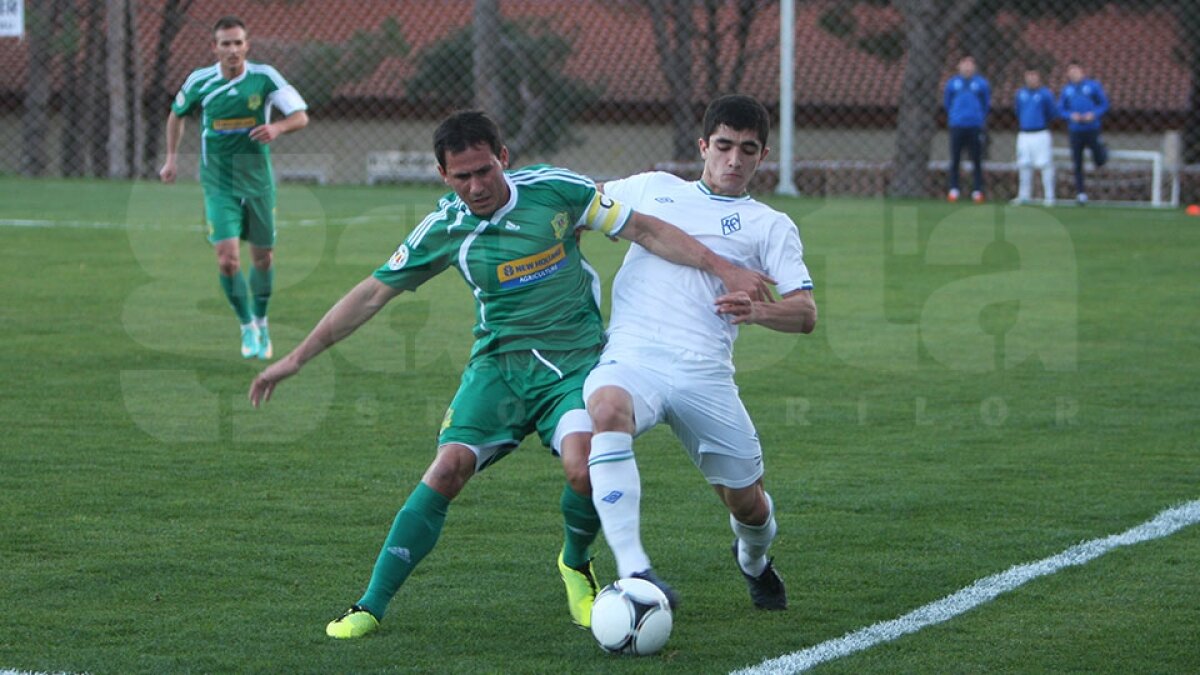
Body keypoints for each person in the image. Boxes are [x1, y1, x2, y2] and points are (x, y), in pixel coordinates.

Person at [248, 110, 771, 638]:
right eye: (462, 177)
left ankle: (575, 563)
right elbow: (370, 294)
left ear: (503, 158)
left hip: (573, 364)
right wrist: (296, 359)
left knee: (584, 465)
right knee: (448, 467)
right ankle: (370, 604)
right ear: (442, 176)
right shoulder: (444, 229)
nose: (476, 186)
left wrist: (723, 268)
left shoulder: (557, 190)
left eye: (484, 171)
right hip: (498, 369)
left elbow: (646, 229)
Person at [584, 95, 817, 611]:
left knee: (748, 505)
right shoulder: (651, 188)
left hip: (704, 375)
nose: (734, 160)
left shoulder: (769, 224)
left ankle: (753, 561)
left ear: (763, 156)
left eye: (748, 150)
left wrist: (757, 312)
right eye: (725, 146)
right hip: (634, 357)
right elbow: (575, 210)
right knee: (605, 410)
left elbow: (805, 314)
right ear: (703, 146)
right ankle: (634, 570)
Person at [159, 16, 309, 360]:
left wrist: (278, 129)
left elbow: (301, 115)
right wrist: (171, 159)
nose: (232, 49)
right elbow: (176, 114)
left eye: (238, 43)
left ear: (247, 46)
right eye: (225, 43)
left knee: (263, 258)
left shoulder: (264, 78)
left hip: (257, 183)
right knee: (227, 260)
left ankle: (261, 319)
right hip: (218, 183)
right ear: (214, 48)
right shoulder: (200, 80)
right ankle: (246, 327)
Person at [1059, 61, 1110, 205]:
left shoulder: (1092, 86)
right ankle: (1081, 193)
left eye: (1075, 70)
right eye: (1070, 71)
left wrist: (1093, 114)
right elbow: (1061, 109)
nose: (1073, 74)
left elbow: (1104, 104)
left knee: (1098, 158)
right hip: (1075, 130)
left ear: (1082, 71)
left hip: (1092, 128)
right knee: (1077, 162)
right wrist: (1071, 115)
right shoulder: (1067, 90)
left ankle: (1103, 152)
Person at [943, 56, 991, 203]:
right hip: (957, 125)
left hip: (975, 126)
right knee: (955, 158)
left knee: (976, 159)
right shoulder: (952, 83)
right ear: (959, 66)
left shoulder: (981, 84)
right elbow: (947, 103)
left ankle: (977, 191)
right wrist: (955, 116)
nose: (967, 67)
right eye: (964, 64)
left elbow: (986, 104)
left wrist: (978, 117)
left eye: (970, 64)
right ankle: (954, 189)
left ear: (974, 67)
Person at [1013, 68, 1058, 206]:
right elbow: (1017, 111)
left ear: (1039, 77)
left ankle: (1049, 196)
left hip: (1041, 133)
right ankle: (1023, 195)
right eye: (1029, 75)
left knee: (1044, 164)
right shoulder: (1020, 94)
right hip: (1024, 134)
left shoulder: (1045, 94)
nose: (1031, 78)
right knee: (1024, 165)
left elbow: (1051, 113)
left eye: (1034, 75)